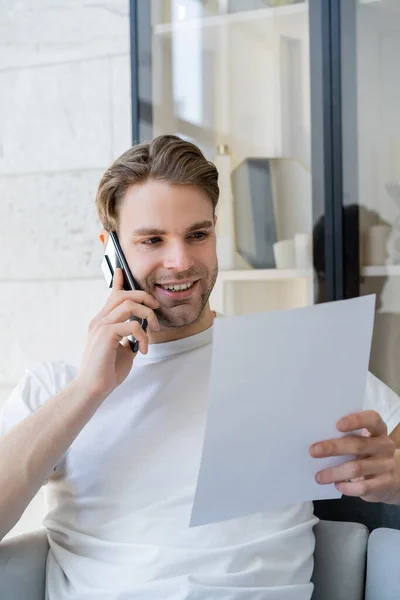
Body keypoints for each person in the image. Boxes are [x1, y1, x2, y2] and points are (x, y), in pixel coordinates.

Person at [0, 135, 399, 600]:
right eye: (152, 240)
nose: (181, 262)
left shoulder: (288, 358)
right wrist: (90, 388)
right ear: (112, 251)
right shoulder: (59, 385)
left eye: (197, 235)